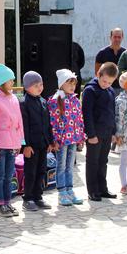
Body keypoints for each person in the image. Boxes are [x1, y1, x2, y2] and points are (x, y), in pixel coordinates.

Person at [0, 63, 24, 218]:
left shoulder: (13, 97)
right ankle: (0, 205)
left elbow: (19, 120)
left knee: (9, 175)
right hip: (1, 144)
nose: (13, 83)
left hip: (12, 143)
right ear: (2, 82)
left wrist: (20, 141)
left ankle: (8, 202)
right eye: (10, 80)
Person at [82, 62, 119, 201]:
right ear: (98, 74)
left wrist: (114, 132)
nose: (106, 84)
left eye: (110, 82)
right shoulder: (90, 90)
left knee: (103, 161)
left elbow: (112, 112)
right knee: (93, 161)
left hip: (107, 132)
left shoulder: (110, 91)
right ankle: (92, 190)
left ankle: (102, 188)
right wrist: (91, 134)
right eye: (104, 81)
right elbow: (87, 113)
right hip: (95, 133)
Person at [48, 69, 85, 205]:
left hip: (74, 139)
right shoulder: (55, 100)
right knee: (61, 165)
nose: (72, 86)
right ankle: (62, 192)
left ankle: (70, 190)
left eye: (73, 84)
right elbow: (53, 122)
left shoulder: (75, 100)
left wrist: (81, 136)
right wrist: (55, 140)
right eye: (69, 83)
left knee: (70, 166)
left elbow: (79, 119)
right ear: (61, 84)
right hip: (62, 140)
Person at [20, 71, 55, 212]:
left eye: (41, 84)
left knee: (41, 170)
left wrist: (50, 142)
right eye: (35, 85)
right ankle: (28, 198)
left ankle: (38, 196)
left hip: (43, 143)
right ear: (27, 87)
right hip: (31, 145)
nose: (40, 87)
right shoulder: (24, 102)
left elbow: (48, 124)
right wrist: (26, 145)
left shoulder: (43, 101)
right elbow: (24, 126)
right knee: (31, 172)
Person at [95, 28, 125, 92]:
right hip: (105, 88)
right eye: (115, 37)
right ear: (110, 37)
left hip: (122, 88)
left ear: (122, 38)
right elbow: (97, 73)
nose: (117, 39)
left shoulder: (125, 53)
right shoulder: (102, 53)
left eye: (119, 37)